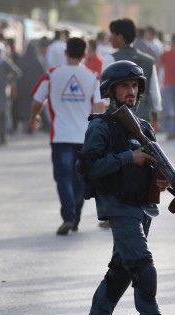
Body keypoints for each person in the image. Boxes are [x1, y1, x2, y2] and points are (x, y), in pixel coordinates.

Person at [78, 60, 175, 315]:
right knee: (142, 265)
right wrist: (129, 158)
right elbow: (88, 167)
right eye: (125, 85)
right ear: (110, 90)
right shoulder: (100, 126)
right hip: (118, 204)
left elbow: (152, 165)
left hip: (142, 206)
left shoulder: (144, 127)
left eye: (135, 86)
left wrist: (160, 181)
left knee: (122, 269)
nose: (131, 90)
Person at [30, 37, 104, 235]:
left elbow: (38, 100)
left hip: (60, 136)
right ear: (85, 54)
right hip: (84, 138)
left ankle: (69, 217)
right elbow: (98, 107)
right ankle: (75, 216)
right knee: (79, 179)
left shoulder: (52, 74)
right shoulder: (92, 76)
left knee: (63, 179)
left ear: (65, 53)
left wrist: (34, 116)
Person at [103, 18, 162, 131]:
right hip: (143, 118)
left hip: (118, 120)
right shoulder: (149, 60)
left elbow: (105, 95)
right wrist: (155, 119)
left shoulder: (111, 59)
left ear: (119, 37)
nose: (110, 38)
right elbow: (154, 93)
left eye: (112, 34)